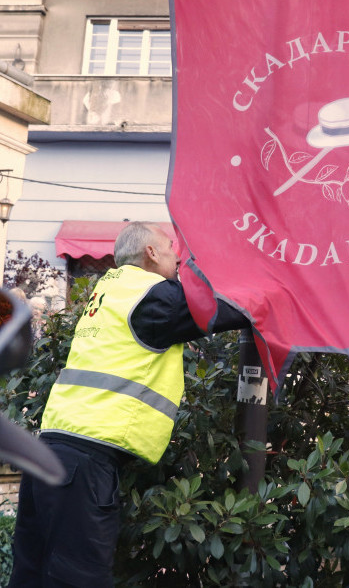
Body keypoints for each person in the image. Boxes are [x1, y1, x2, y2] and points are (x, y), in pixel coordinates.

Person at [9, 222, 249, 587]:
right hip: (84, 464)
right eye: (170, 248)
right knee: (79, 579)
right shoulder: (151, 294)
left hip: (52, 451)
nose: (176, 257)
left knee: (32, 574)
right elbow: (224, 310)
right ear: (151, 253)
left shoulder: (109, 291)